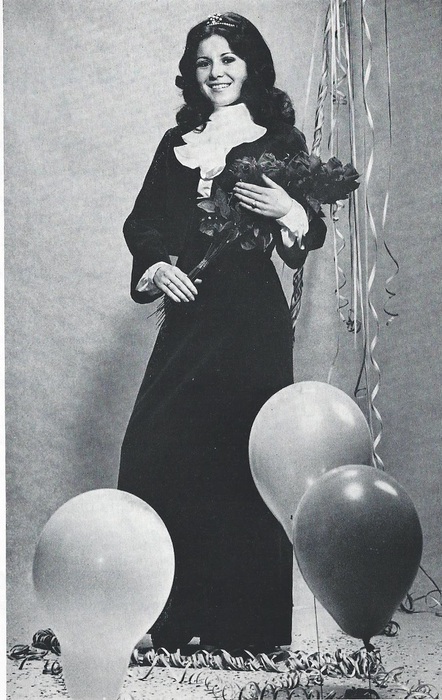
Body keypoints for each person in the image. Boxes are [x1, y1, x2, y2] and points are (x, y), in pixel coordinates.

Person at [118, 12, 326, 655]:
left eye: (229, 59)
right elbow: (143, 221)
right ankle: (163, 619)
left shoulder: (279, 139)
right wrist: (156, 265)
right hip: (189, 318)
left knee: (245, 460)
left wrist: (289, 210)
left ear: (251, 65)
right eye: (205, 61)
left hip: (250, 324)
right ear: (192, 72)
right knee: (154, 450)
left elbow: (305, 237)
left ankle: (244, 631)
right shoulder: (175, 142)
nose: (217, 73)